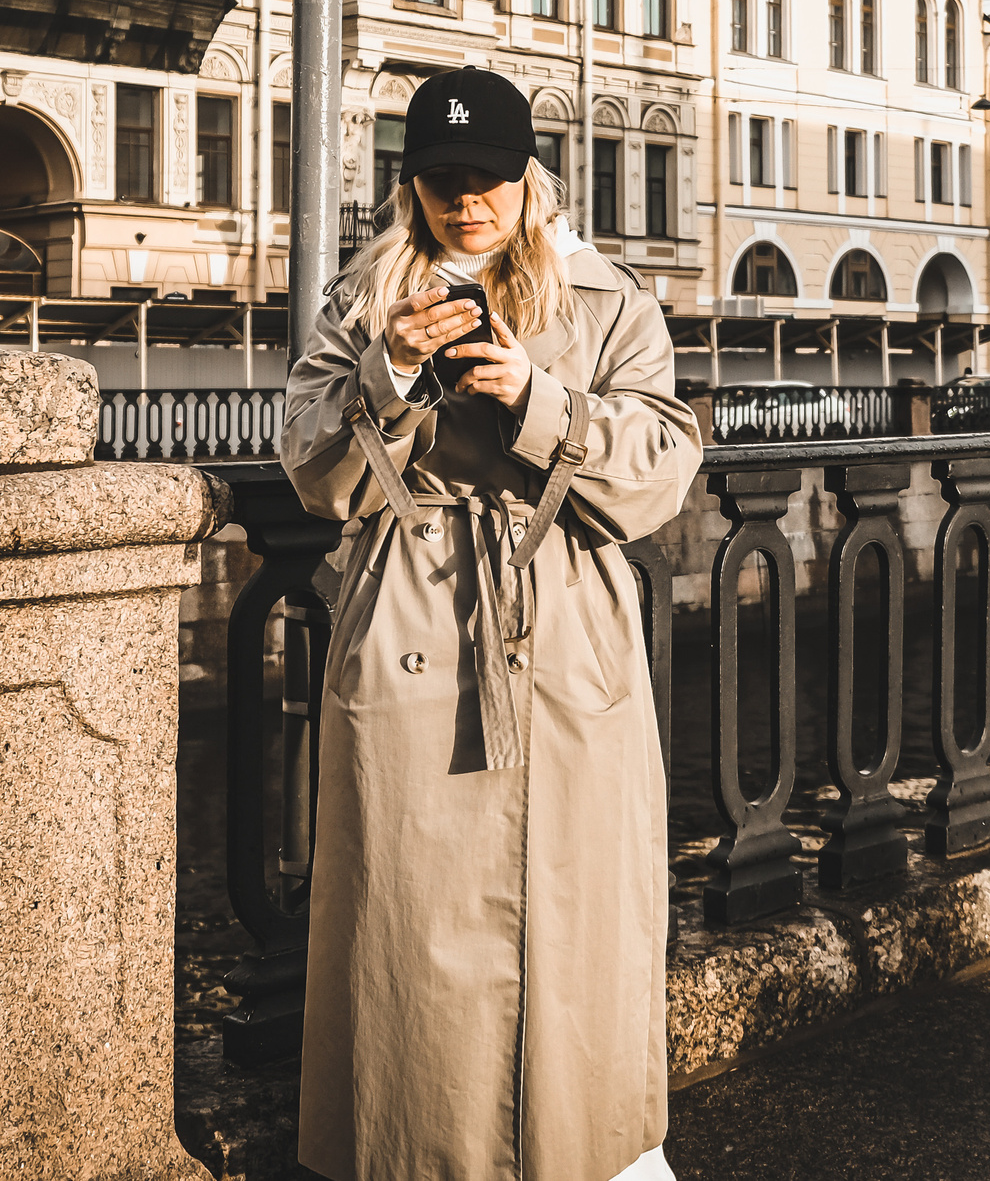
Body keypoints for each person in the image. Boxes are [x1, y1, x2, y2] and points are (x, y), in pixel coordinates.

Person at [282, 68, 701, 1181]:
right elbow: (313, 473)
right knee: (409, 927)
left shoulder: (606, 298)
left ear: (528, 178)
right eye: (441, 180)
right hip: (411, 628)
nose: (466, 200)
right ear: (409, 185)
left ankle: (593, 1155)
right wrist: (390, 370)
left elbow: (662, 470)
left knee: (577, 919)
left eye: (488, 178)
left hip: (563, 633)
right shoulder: (359, 300)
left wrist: (535, 394)